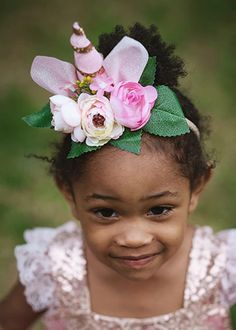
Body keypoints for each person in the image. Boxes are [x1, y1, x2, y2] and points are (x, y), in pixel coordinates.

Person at [0, 21, 235, 330]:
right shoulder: (53, 268)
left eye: (159, 209)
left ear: (196, 188)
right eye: (106, 212)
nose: (133, 238)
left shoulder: (221, 266)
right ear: (69, 194)